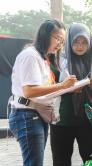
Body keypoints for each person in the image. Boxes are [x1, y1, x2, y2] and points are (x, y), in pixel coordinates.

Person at [8, 19, 77, 166]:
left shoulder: (41, 57)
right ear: (45, 35)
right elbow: (29, 91)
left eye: (62, 41)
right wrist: (62, 85)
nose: (60, 44)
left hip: (36, 114)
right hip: (27, 114)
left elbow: (42, 90)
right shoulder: (31, 55)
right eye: (58, 38)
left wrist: (66, 87)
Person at [50, 23, 92, 166]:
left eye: (84, 42)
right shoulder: (58, 60)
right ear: (69, 41)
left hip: (89, 120)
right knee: (61, 159)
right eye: (76, 42)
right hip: (62, 120)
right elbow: (48, 87)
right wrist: (67, 89)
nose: (80, 46)